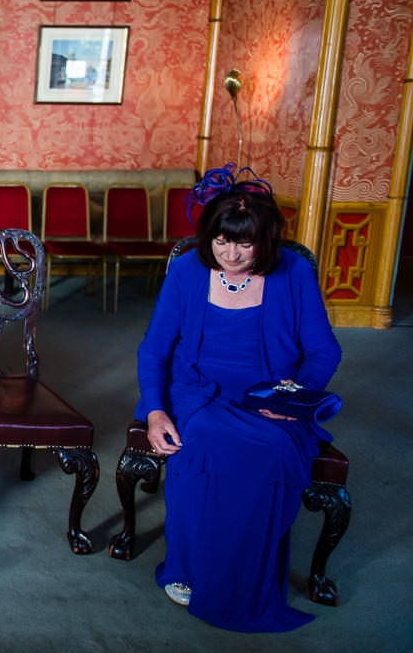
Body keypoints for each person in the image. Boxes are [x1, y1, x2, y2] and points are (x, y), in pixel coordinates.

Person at [136, 165, 342, 632]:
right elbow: (154, 349)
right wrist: (155, 411)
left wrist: (293, 397)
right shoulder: (187, 271)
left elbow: (324, 350)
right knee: (203, 440)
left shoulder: (293, 272)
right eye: (221, 241)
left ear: (264, 242)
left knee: (272, 449)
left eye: (244, 244)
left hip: (271, 398)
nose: (230, 254)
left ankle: (239, 574)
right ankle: (188, 566)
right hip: (198, 393)